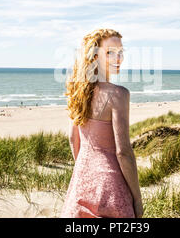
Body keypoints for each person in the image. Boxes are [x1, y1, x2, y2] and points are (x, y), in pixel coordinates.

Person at [60, 28, 143, 218]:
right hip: (111, 186)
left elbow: (74, 139)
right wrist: (137, 199)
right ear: (95, 56)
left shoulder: (78, 91)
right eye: (110, 52)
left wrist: (87, 171)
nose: (118, 58)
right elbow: (123, 152)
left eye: (121, 52)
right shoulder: (118, 94)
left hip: (82, 182)